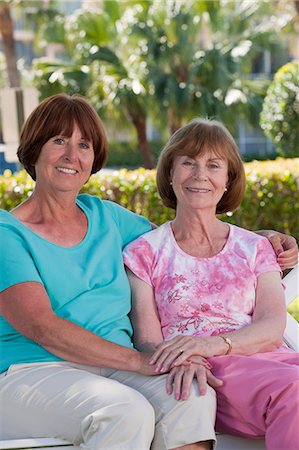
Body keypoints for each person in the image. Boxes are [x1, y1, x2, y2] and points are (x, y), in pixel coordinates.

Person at [0, 96, 296, 450]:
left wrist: (260, 241)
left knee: (192, 393)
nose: (71, 155)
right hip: (34, 372)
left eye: (84, 144)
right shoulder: (7, 234)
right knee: (125, 412)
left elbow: (187, 239)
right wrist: (142, 361)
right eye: (59, 141)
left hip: (113, 368)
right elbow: (42, 327)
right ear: (34, 149)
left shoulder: (108, 218)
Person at [123, 118, 299, 450]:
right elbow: (147, 339)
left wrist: (210, 343)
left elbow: (273, 326)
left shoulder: (256, 247)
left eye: (213, 165)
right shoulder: (143, 252)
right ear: (171, 174)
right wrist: (189, 356)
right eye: (188, 162)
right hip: (205, 374)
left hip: (270, 361)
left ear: (228, 179)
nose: (200, 174)